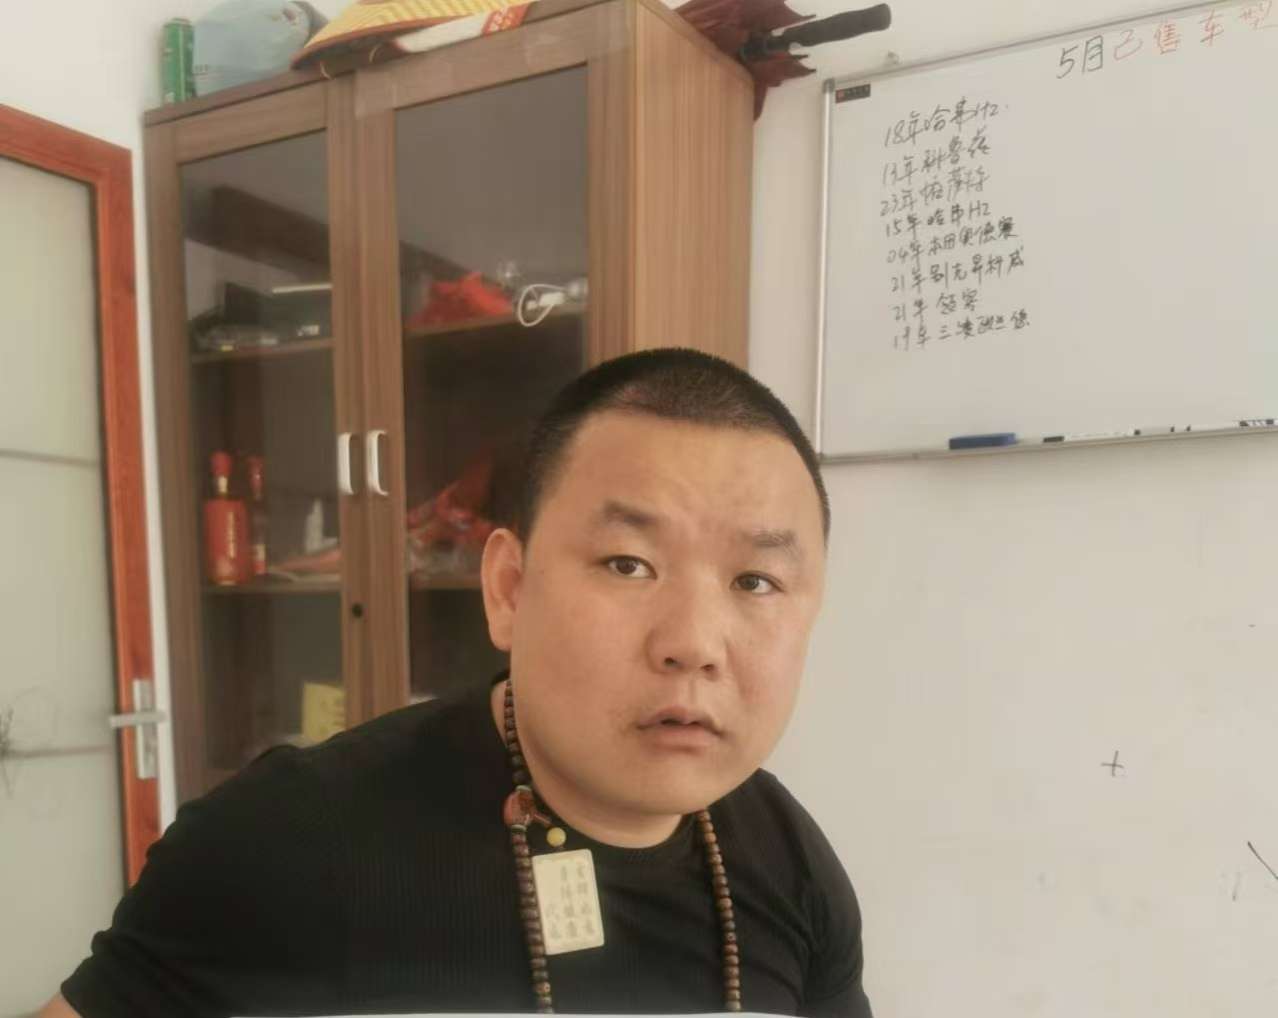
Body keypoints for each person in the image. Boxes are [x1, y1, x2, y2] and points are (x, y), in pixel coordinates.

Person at [44, 348, 871, 1018]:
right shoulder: (279, 843)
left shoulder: (793, 867)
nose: (693, 644)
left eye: (756, 581)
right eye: (628, 563)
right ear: (508, 589)